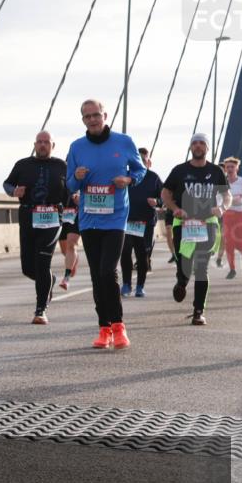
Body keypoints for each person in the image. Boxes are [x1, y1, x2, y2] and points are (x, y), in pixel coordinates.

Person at [66, 99, 146, 349]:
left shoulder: (124, 142)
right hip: (89, 218)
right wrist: (76, 177)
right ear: (83, 120)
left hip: (115, 217)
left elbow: (140, 170)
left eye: (96, 115)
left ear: (105, 116)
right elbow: (70, 184)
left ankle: (119, 326)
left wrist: (128, 180)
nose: (92, 120)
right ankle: (104, 329)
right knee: (96, 276)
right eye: (87, 116)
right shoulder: (76, 147)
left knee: (107, 271)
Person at [161, 134, 231, 325]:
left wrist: (222, 208)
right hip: (183, 223)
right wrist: (175, 209)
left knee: (201, 267)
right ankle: (181, 281)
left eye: (202, 143)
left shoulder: (216, 171)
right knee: (184, 262)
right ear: (191, 147)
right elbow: (165, 193)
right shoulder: (179, 170)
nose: (198, 146)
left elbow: (227, 196)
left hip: (207, 223)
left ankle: (198, 312)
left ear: (207, 148)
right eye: (194, 143)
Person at [3, 131, 67, 323]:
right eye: (39, 142)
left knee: (42, 262)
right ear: (34, 145)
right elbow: (7, 184)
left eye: (46, 142)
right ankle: (49, 280)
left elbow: (73, 186)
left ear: (52, 146)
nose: (42, 145)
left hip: (52, 217)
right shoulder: (23, 164)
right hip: (28, 216)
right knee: (28, 268)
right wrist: (14, 191)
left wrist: (75, 196)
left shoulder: (62, 166)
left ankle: (40, 310)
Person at [120, 147, 162, 298]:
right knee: (125, 253)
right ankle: (126, 284)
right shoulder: (125, 176)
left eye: (144, 160)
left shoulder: (154, 177)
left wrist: (157, 201)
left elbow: (164, 197)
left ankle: (140, 286)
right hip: (126, 221)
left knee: (142, 255)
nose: (141, 162)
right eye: (138, 160)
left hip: (145, 222)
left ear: (148, 162)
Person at [221, 156, 242, 278]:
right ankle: (232, 269)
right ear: (225, 169)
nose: (229, 169)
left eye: (232, 167)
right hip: (228, 215)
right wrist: (232, 200)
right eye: (227, 167)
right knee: (228, 242)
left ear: (237, 168)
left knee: (241, 243)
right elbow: (218, 199)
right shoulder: (222, 183)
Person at [58, 191, 81, 290]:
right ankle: (74, 258)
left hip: (76, 211)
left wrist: (80, 196)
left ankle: (66, 279)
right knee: (64, 250)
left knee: (71, 244)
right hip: (60, 211)